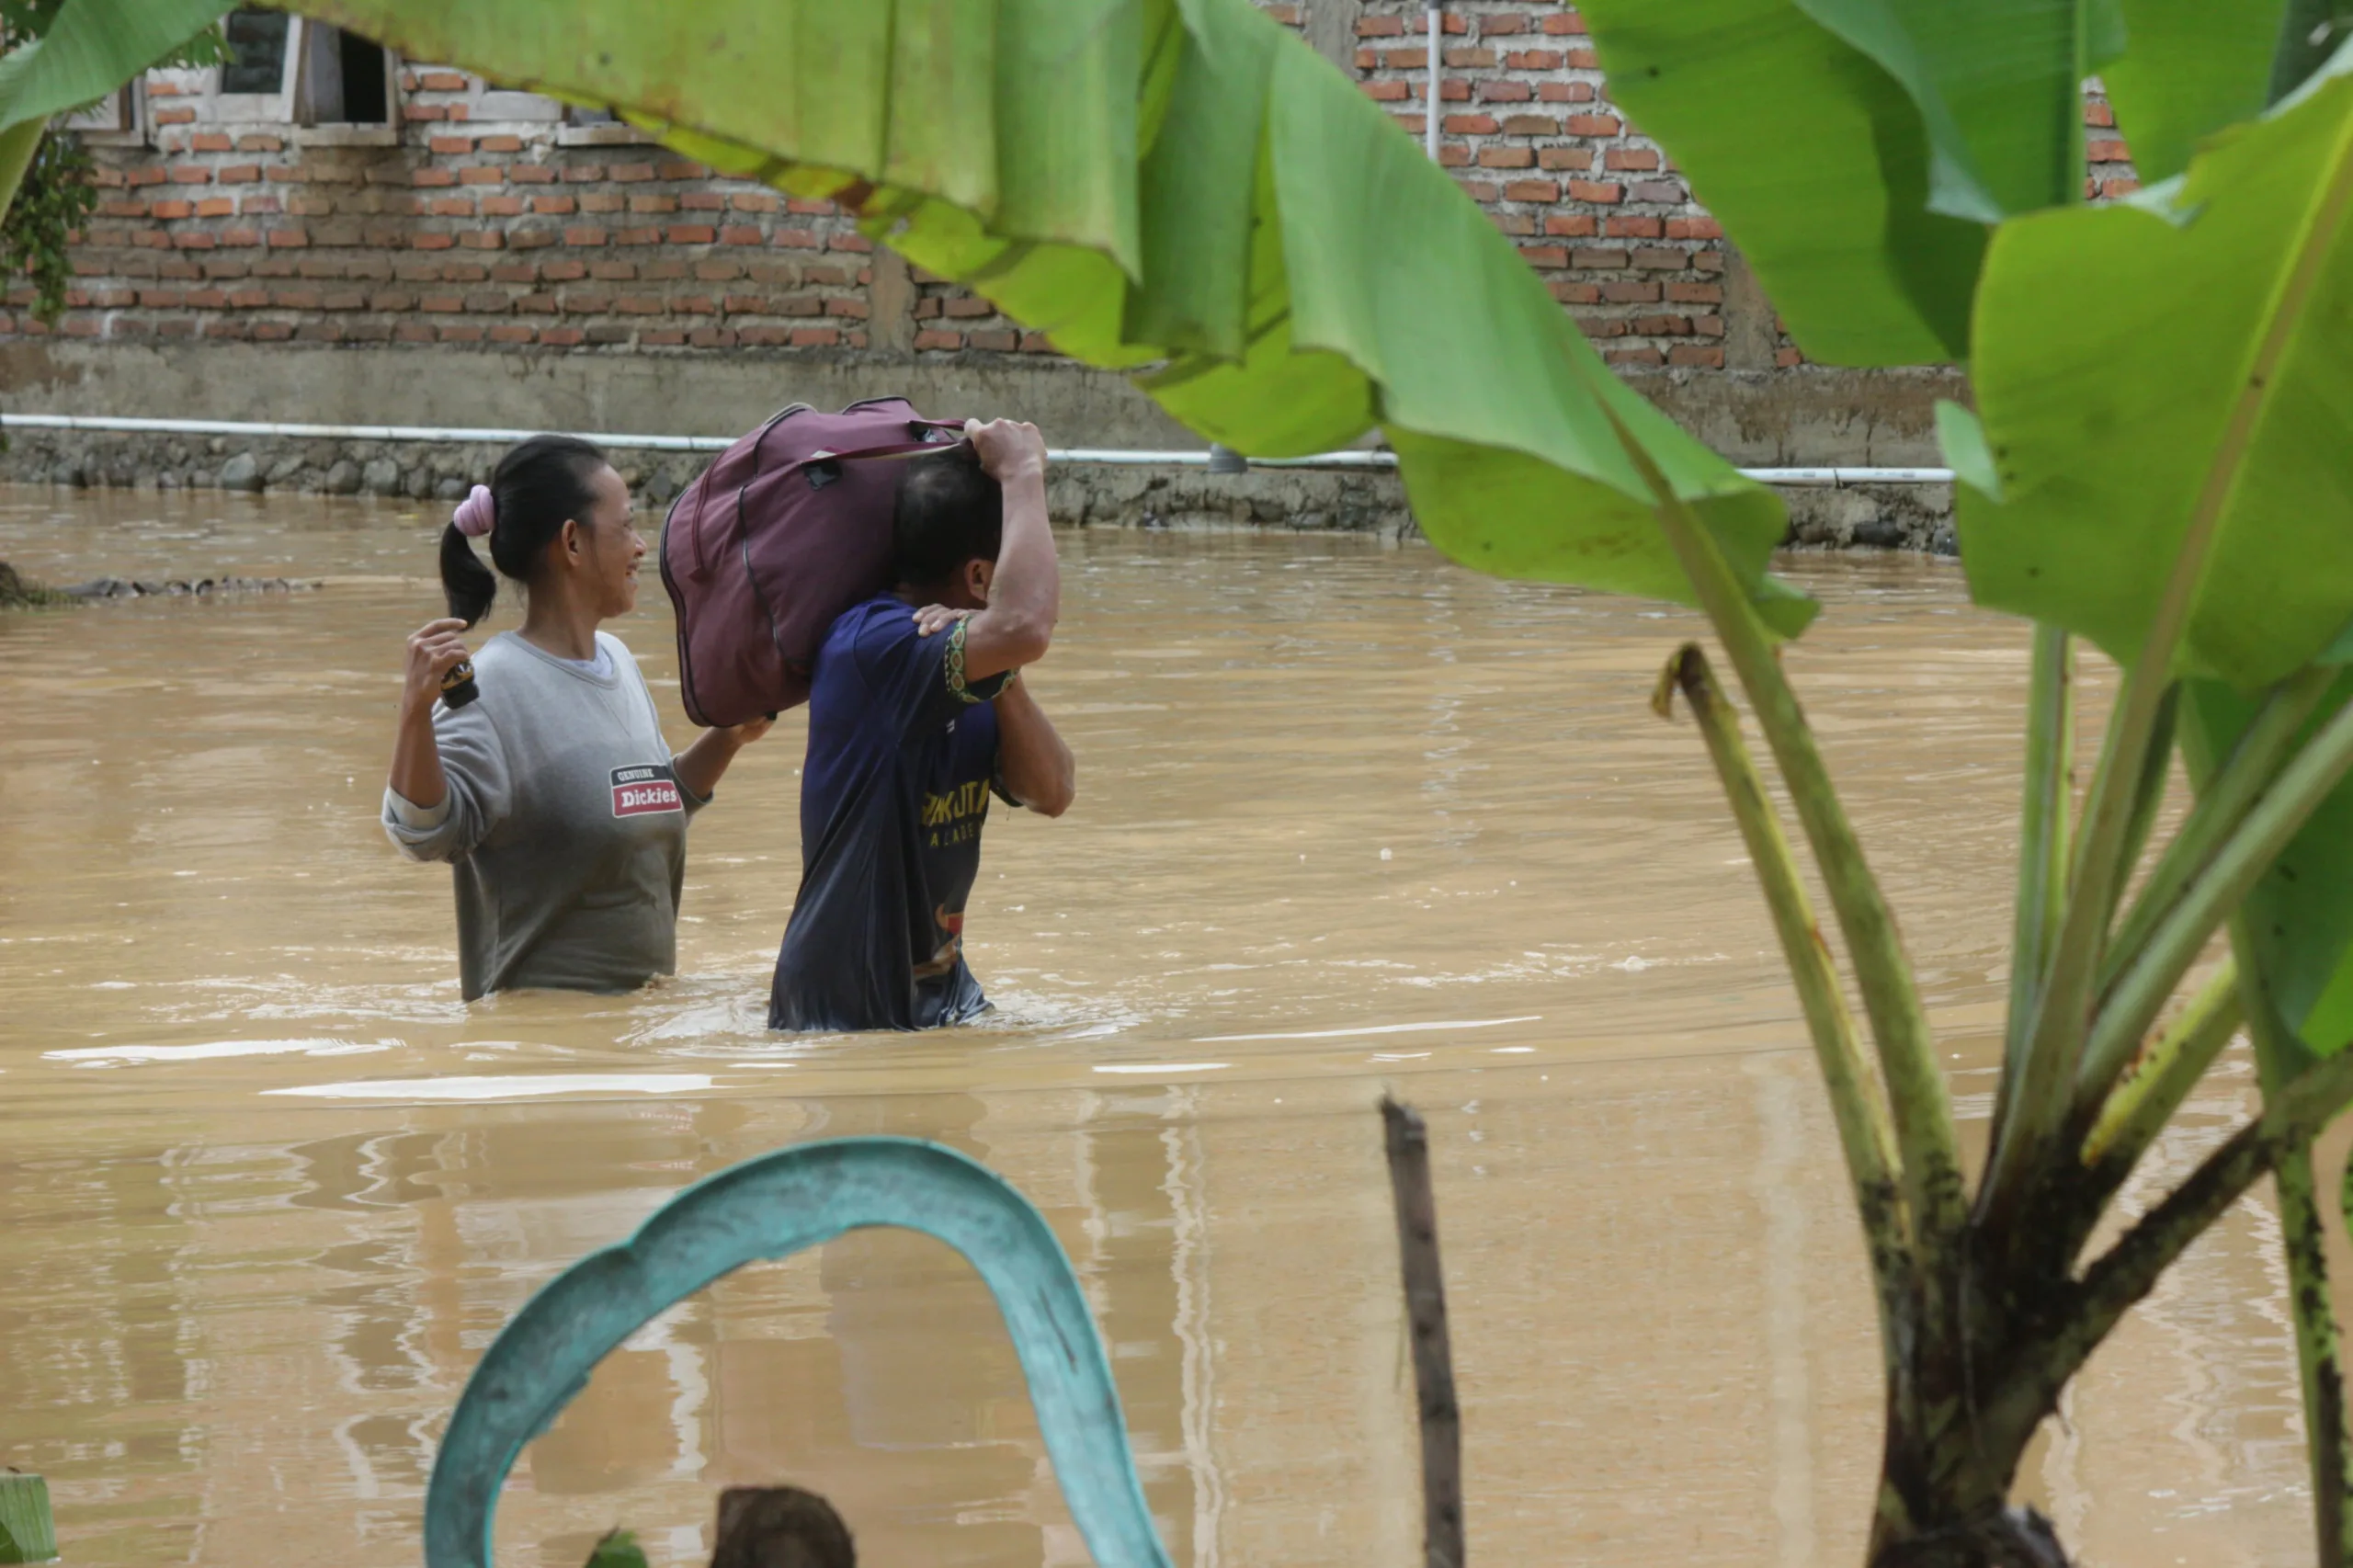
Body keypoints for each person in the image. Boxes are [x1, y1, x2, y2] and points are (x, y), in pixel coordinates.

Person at [384, 434, 768, 1000]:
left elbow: (640, 809)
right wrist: (414, 718)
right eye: (627, 527)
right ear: (572, 543)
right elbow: (423, 835)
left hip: (639, 1039)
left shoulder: (617, 660)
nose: (642, 546)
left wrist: (728, 738)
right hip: (548, 1059)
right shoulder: (493, 689)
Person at [768, 418, 1075, 1031]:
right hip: (844, 1016)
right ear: (982, 578)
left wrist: (1001, 667)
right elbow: (1027, 626)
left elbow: (1053, 792)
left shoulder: (960, 657)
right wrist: (1021, 473)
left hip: (942, 999)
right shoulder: (876, 646)